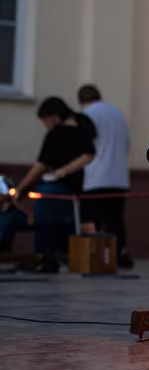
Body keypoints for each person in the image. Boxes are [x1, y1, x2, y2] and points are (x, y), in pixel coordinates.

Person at [12, 97, 96, 272]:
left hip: (54, 188)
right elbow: (88, 155)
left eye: (44, 120)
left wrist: (21, 188)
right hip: (76, 189)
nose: (44, 125)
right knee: (65, 223)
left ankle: (44, 257)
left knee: (45, 222)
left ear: (53, 117)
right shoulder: (82, 128)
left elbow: (40, 166)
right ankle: (60, 256)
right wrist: (67, 171)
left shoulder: (56, 134)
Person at [77, 85, 133, 268]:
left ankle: (96, 259)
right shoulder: (118, 114)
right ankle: (120, 254)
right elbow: (127, 144)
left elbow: (84, 146)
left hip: (95, 177)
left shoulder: (87, 115)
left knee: (93, 220)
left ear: (82, 101)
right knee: (115, 219)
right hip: (119, 177)